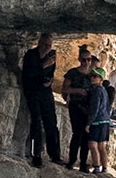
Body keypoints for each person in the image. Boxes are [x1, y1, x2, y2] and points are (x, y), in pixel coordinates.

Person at [20, 34, 61, 166]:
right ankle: (35, 154)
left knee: (51, 122)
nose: (47, 48)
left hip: (45, 92)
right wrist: (43, 65)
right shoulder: (31, 55)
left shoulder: (51, 56)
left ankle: (55, 155)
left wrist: (49, 81)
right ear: (39, 43)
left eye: (49, 45)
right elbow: (28, 74)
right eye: (45, 45)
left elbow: (51, 73)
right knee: (36, 122)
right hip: (33, 91)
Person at [62, 46, 94, 169]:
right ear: (79, 59)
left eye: (89, 59)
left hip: (88, 108)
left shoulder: (92, 74)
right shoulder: (72, 73)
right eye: (84, 60)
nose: (87, 62)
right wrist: (77, 91)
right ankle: (72, 160)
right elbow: (64, 88)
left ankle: (83, 163)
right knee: (77, 133)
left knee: (86, 135)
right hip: (75, 106)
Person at [85, 68, 114, 173]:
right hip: (105, 120)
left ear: (101, 79)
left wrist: (89, 123)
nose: (92, 78)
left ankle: (97, 166)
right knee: (101, 145)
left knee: (93, 144)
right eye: (91, 76)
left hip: (97, 121)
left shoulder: (97, 91)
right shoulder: (104, 90)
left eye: (95, 76)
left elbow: (95, 108)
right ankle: (105, 167)